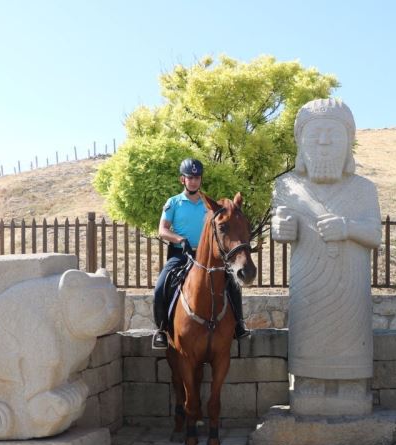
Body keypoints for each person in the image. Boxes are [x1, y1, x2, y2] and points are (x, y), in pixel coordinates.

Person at [271, 98, 381, 415]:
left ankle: (353, 386)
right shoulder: (287, 186)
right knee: (308, 336)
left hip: (351, 285)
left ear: (348, 144)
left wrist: (347, 228)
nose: (323, 143)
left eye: (332, 135)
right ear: (301, 143)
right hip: (307, 281)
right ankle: (308, 383)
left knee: (350, 336)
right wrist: (282, 227)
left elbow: (374, 235)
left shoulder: (363, 189)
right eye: (314, 134)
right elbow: (280, 232)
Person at [151, 158, 248, 349]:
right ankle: (161, 329)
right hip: (181, 254)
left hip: (209, 257)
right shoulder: (173, 203)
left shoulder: (209, 205)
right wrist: (180, 240)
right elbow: (162, 230)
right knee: (161, 285)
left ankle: (239, 325)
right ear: (182, 180)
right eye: (190, 177)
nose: (194, 181)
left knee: (233, 285)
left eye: (197, 177)